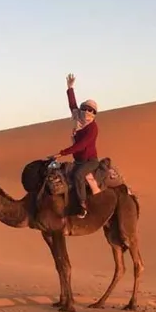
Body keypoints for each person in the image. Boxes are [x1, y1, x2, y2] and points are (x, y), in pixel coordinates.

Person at [52, 73, 100, 219]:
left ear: (94, 113)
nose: (87, 112)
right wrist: (70, 88)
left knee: (78, 175)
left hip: (90, 161)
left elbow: (81, 145)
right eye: (85, 108)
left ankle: (83, 205)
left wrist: (62, 153)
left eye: (91, 110)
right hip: (78, 160)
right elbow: (72, 104)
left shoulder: (93, 128)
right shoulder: (78, 118)